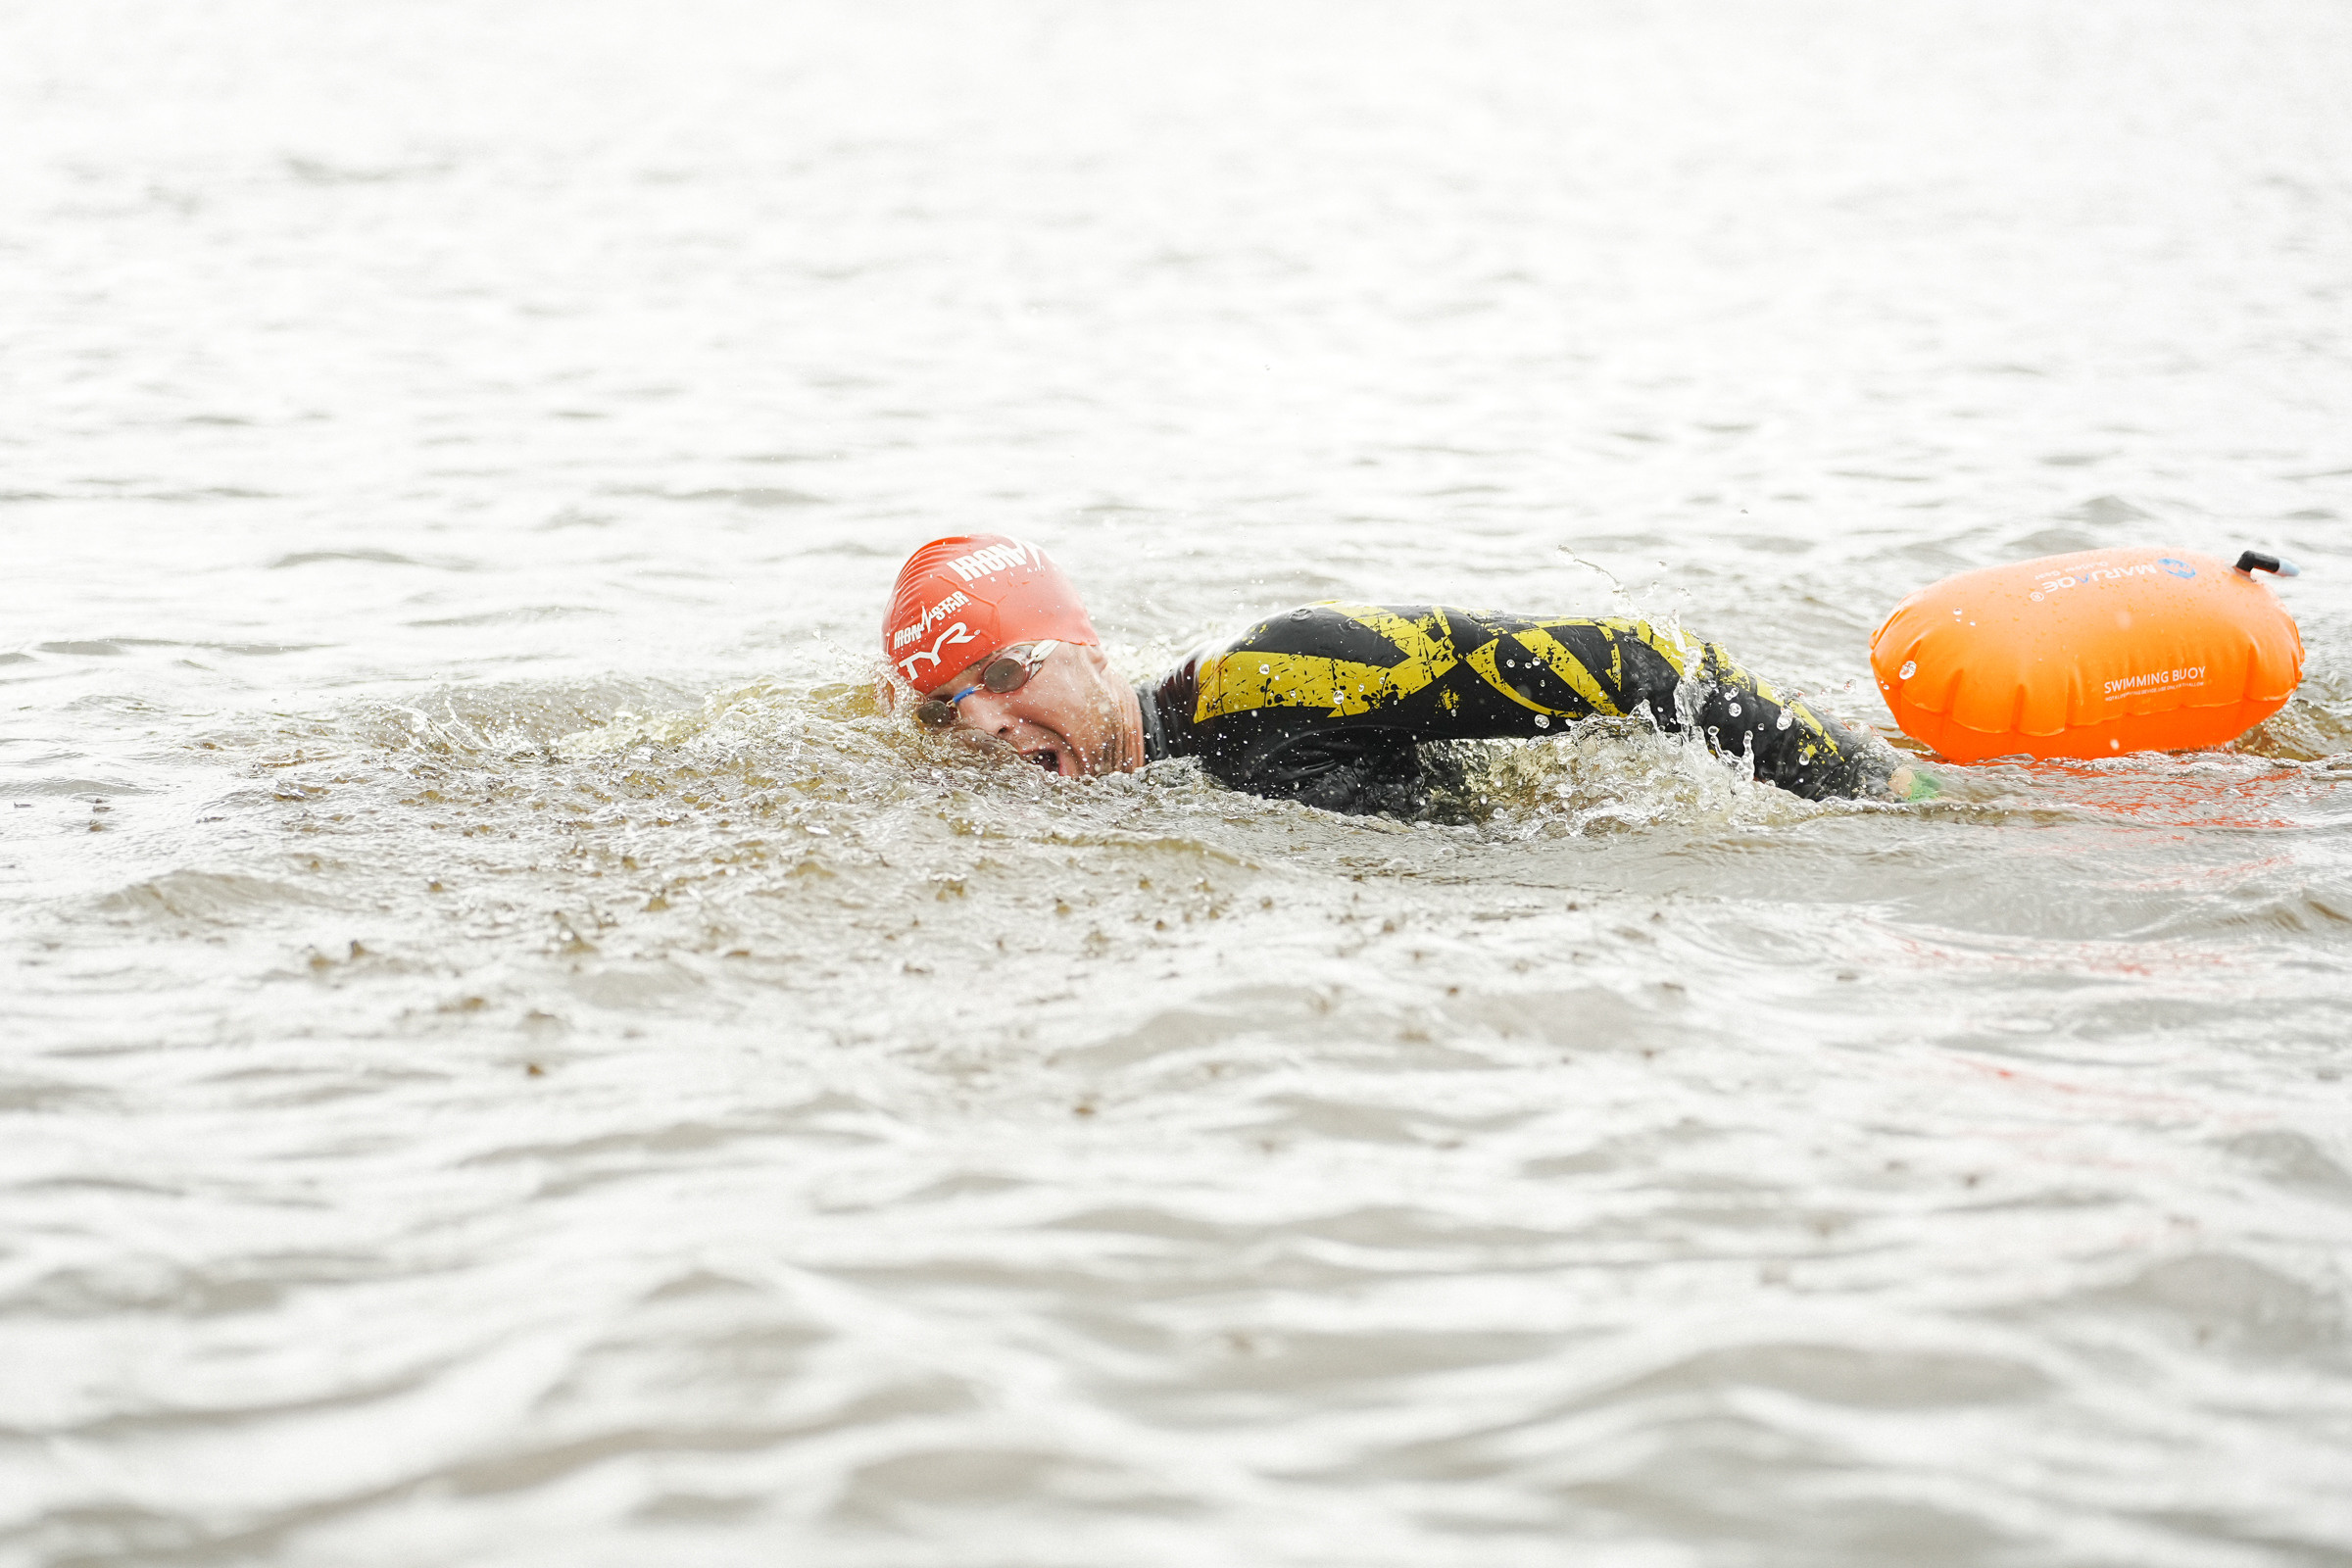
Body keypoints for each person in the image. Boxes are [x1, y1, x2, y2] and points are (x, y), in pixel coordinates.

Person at [882, 533, 1929, 814]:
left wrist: (1894, 798)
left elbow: (1643, 660)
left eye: (1007, 669)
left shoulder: (1276, 674)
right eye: (947, 707)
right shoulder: (1118, 783)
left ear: (1088, 646)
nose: (984, 724)